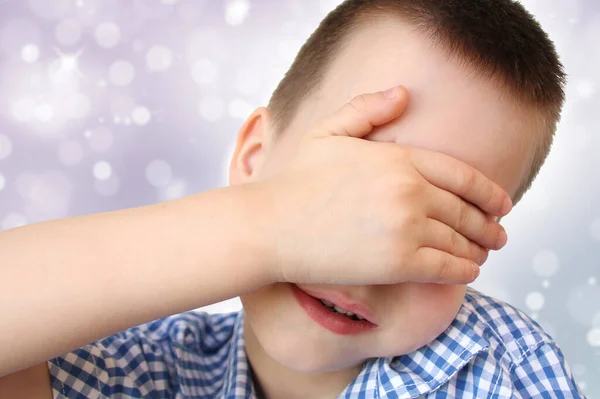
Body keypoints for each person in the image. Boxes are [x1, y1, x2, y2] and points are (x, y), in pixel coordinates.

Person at [0, 0, 586, 398]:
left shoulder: (490, 371)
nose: (369, 258)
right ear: (255, 157)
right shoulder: (145, 369)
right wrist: (268, 226)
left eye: (437, 218)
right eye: (346, 191)